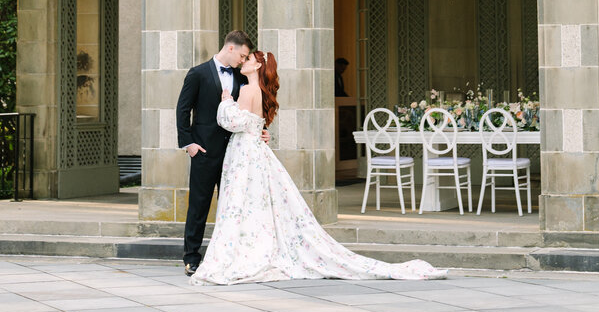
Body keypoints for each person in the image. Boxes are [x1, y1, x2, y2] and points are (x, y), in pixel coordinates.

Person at [192, 50, 445, 286]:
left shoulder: (247, 90)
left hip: (245, 152)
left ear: (258, 65)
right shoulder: (260, 91)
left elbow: (232, 121)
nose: (243, 62)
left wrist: (226, 102)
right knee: (255, 202)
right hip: (255, 150)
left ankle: (245, 251)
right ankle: (256, 244)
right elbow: (254, 123)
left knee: (242, 202)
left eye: (248, 59)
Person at [176, 29, 261, 277]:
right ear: (231, 48)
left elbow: (248, 111)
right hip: (203, 151)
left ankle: (227, 258)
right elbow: (183, 110)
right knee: (199, 206)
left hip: (234, 154)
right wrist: (188, 144)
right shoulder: (198, 73)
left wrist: (260, 130)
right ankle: (191, 258)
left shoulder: (240, 76)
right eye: (243, 56)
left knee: (231, 207)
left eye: (247, 58)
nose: (243, 61)